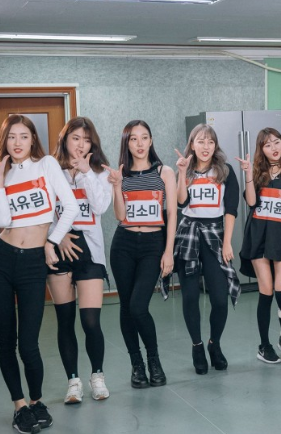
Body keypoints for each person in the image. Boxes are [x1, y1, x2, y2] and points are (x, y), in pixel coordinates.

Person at [0, 115, 78, 433]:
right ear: (5, 140)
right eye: (12, 137)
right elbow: (2, 221)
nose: (17, 142)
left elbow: (70, 208)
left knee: (29, 343)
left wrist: (52, 242)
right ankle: (20, 406)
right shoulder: (3, 172)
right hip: (0, 260)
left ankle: (37, 401)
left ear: (33, 139)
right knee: (6, 341)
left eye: (24, 136)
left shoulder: (47, 165)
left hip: (32, 263)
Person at [104, 120, 177, 388]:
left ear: (151, 140)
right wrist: (116, 186)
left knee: (138, 306)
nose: (139, 143)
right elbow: (120, 215)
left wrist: (169, 251)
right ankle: (137, 365)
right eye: (133, 139)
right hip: (123, 244)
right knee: (126, 307)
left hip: (152, 244)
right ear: (127, 143)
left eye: (144, 137)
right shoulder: (121, 174)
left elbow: (172, 214)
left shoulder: (164, 172)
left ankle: (154, 360)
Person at [46, 117, 112, 403]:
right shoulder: (51, 171)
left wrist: (86, 173)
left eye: (86, 139)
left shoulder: (99, 172)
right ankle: (73, 381)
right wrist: (57, 236)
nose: (81, 145)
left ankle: (97, 376)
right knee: (64, 320)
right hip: (59, 251)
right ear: (65, 140)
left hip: (91, 254)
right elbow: (44, 212)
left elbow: (100, 207)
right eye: (75, 138)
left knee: (90, 320)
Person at [174, 124, 241, 375]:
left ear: (215, 146)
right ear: (192, 144)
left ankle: (215, 344)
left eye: (210, 142)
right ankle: (197, 347)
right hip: (189, 234)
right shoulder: (185, 169)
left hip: (215, 236)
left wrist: (227, 242)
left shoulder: (225, 171)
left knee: (220, 299)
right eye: (200, 141)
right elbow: (182, 202)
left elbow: (231, 209)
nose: (206, 147)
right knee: (190, 297)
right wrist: (182, 174)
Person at [238, 128, 281, 363]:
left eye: (276, 142)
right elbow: (251, 202)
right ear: (262, 149)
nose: (274, 148)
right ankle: (264, 345)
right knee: (266, 292)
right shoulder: (258, 172)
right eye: (267, 145)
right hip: (258, 237)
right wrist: (248, 174)